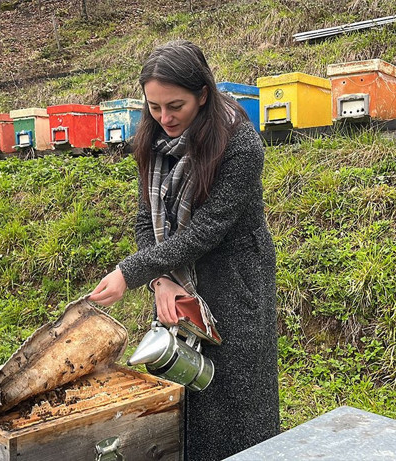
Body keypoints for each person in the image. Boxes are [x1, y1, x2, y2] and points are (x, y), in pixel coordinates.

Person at [88, 40, 279, 460]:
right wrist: (160, 281)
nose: (165, 118)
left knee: (235, 400)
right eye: (154, 107)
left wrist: (130, 272)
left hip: (235, 283)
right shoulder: (153, 141)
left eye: (175, 106)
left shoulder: (240, 145)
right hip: (176, 279)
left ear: (203, 95)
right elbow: (146, 221)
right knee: (184, 386)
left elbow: (205, 231)